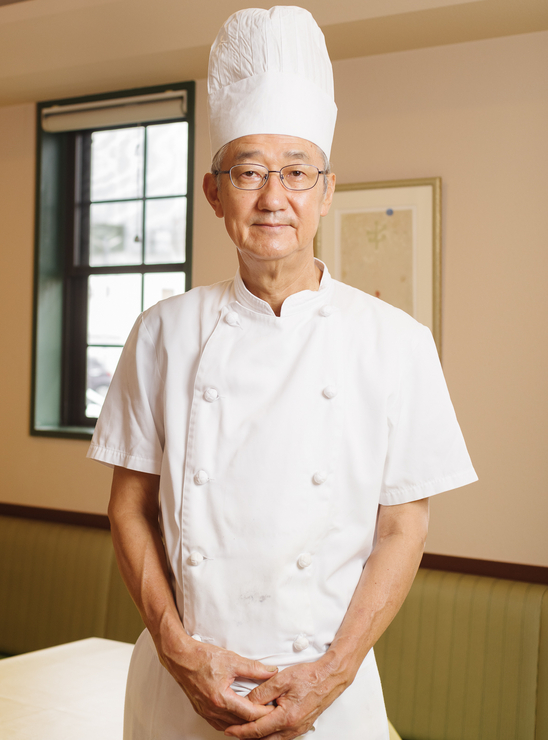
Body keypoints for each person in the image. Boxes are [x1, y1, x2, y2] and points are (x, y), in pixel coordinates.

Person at [87, 7, 477, 740]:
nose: (274, 198)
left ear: (325, 191)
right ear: (213, 194)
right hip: (180, 686)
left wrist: (332, 671)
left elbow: (402, 526)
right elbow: (128, 508)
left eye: (296, 173)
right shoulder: (162, 333)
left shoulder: (396, 342)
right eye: (249, 172)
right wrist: (177, 650)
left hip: (329, 689)